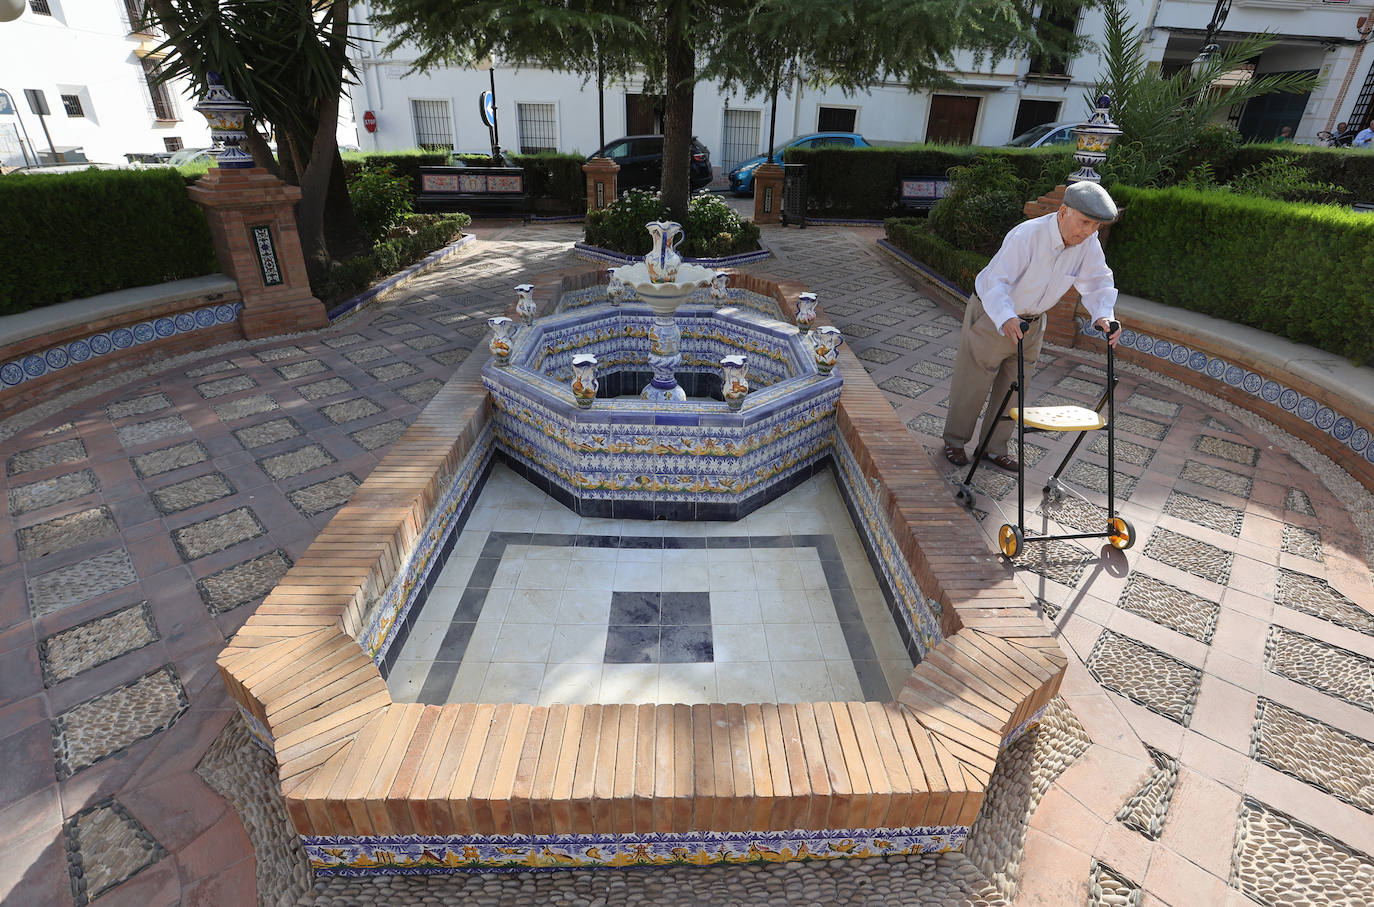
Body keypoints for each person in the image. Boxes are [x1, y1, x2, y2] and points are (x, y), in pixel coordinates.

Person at [942, 180, 1122, 471]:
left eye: (1096, 226)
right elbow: (994, 281)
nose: (1088, 231)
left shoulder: (1087, 243)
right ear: (1063, 211)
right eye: (1084, 221)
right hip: (994, 316)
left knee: (1015, 388)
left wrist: (1103, 315)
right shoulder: (1027, 235)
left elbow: (1098, 280)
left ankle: (992, 447)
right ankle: (954, 441)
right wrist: (1006, 317)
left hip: (1033, 324)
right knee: (973, 383)